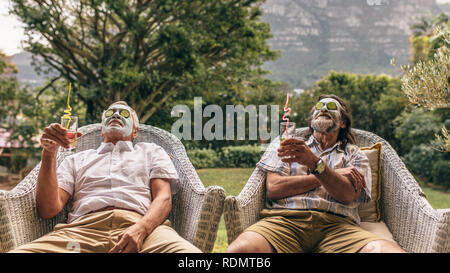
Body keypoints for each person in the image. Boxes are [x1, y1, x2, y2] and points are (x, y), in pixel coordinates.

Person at [10, 101, 201, 253]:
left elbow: (164, 198)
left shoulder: (151, 152)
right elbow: (49, 209)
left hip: (144, 228)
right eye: (109, 113)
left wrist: (140, 230)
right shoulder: (77, 159)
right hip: (81, 231)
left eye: (124, 113)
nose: (116, 115)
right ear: (101, 129)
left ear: (135, 131)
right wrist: (49, 153)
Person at [227, 94, 406, 253]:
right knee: (239, 251)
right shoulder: (289, 145)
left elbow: (347, 195)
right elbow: (274, 188)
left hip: (339, 228)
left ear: (343, 123)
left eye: (332, 107)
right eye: (319, 107)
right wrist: (330, 174)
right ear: (312, 120)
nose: (325, 109)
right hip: (284, 222)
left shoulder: (355, 154)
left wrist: (315, 164)